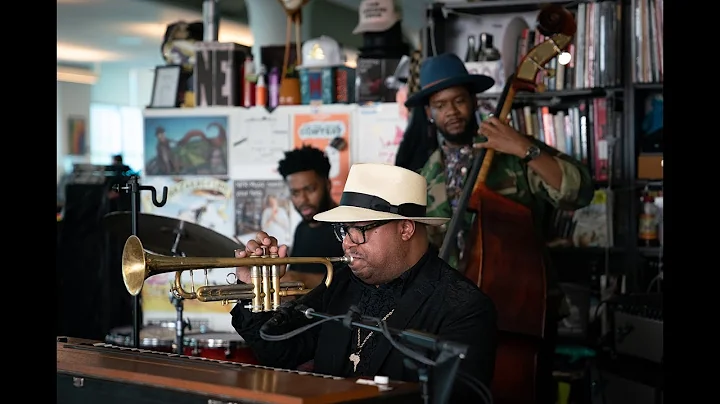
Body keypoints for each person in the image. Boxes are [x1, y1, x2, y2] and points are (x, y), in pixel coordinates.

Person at [404, 52, 596, 403]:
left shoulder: (512, 152)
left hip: (520, 306)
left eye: (459, 100)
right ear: (429, 114)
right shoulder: (421, 177)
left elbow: (579, 191)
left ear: (474, 101)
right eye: (440, 104)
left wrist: (524, 147)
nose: (451, 111)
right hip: (452, 314)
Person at [231, 163, 497, 402]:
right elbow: (279, 351)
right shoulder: (341, 283)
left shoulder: (465, 308)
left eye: (359, 229)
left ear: (405, 228)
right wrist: (251, 290)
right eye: (344, 230)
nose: (347, 242)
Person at [249, 145, 343, 289]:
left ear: (328, 185)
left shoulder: (349, 227)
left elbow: (358, 283)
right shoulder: (301, 229)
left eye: (310, 189)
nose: (303, 200)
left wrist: (298, 279)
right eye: (295, 193)